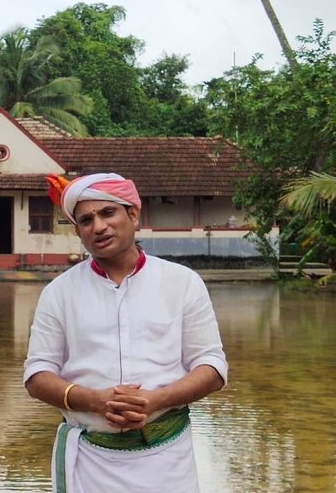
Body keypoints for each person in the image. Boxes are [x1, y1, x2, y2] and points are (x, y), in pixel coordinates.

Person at [24, 173, 228, 493]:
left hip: (168, 461)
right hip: (90, 463)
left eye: (108, 213)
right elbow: (37, 375)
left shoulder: (182, 283)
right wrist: (93, 400)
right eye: (86, 220)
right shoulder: (59, 293)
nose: (99, 227)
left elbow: (213, 368)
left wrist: (155, 400)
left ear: (133, 214)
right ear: (78, 231)